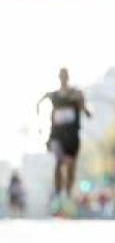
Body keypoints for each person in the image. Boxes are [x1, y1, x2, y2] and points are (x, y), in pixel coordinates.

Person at [37, 68, 90, 217]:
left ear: (68, 77)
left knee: (71, 167)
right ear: (58, 77)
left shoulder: (76, 94)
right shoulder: (52, 95)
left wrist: (83, 105)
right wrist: (39, 125)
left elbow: (86, 111)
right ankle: (58, 193)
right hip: (57, 135)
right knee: (59, 162)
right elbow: (38, 104)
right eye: (61, 75)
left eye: (65, 75)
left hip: (72, 136)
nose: (63, 78)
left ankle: (67, 193)